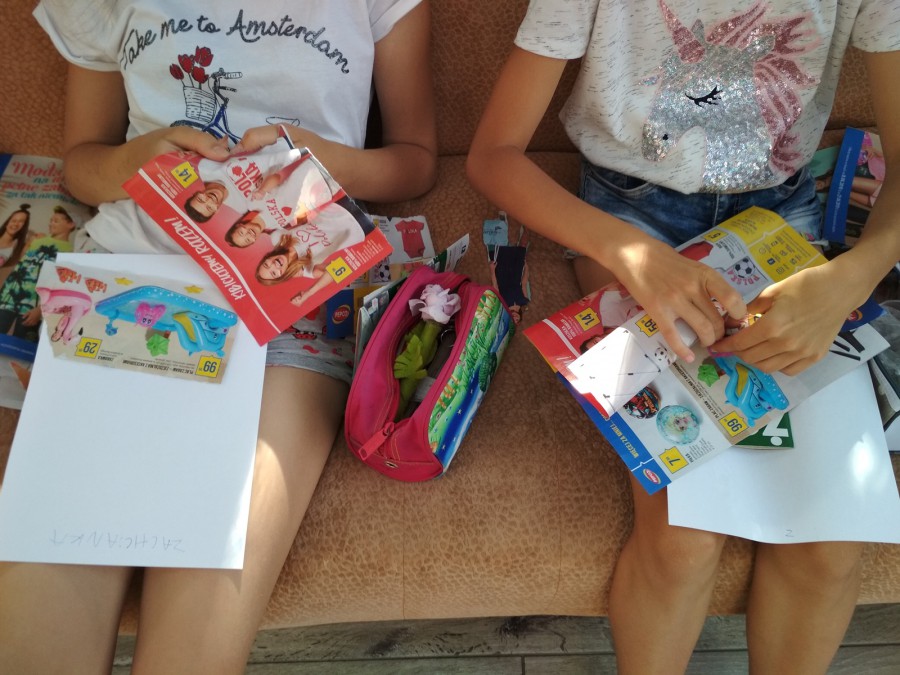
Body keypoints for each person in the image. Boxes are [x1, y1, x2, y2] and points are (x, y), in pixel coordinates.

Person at [0, 2, 436, 675]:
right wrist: (135, 159)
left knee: (193, 645)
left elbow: (415, 163)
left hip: (291, 297)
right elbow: (80, 166)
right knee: (42, 621)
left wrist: (324, 161)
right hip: (125, 283)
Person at [467, 1, 900, 673]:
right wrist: (630, 253)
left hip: (786, 218)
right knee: (683, 537)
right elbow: (493, 155)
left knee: (829, 546)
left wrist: (850, 278)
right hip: (629, 214)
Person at [0, 205, 76, 342]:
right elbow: (20, 266)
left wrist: (40, 309)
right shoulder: (36, 241)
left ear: (71, 224)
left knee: (22, 345)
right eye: (51, 220)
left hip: (33, 305)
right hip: (7, 298)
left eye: (56, 221)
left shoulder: (71, 251)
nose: (51, 223)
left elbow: (59, 285)